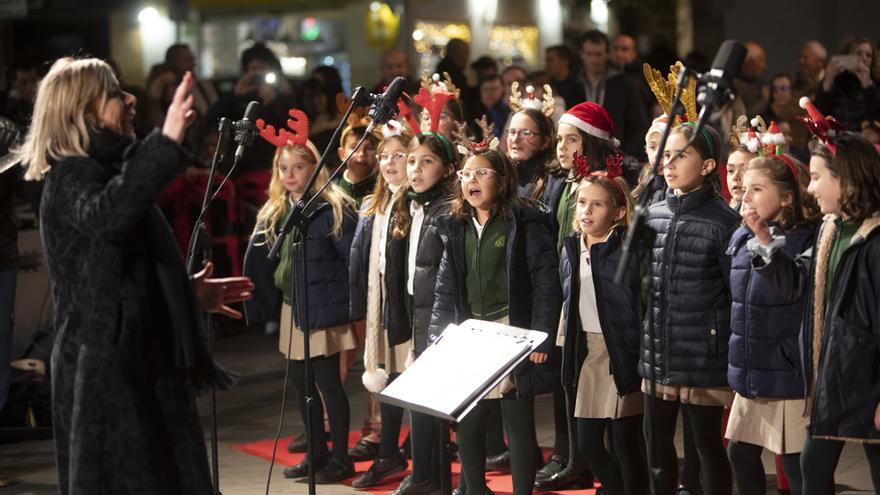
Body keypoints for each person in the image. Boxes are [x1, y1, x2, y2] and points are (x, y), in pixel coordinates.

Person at [18, 57, 254, 494]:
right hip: (108, 376)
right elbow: (108, 217)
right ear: (83, 109)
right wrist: (165, 140)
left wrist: (185, 294)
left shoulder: (104, 172)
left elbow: (118, 268)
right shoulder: (72, 174)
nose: (129, 100)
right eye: (114, 93)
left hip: (134, 364)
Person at [747, 100, 880, 493]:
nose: (810, 187)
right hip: (833, 377)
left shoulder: (873, 241)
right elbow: (799, 286)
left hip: (866, 382)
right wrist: (766, 243)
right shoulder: (830, 229)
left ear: (848, 179)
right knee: (812, 467)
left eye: (818, 176)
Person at [430, 146, 562, 495]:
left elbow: (546, 283)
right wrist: (437, 340)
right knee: (468, 422)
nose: (471, 180)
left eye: (481, 173)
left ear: (502, 180)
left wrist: (542, 336)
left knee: (517, 423)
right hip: (473, 334)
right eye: (465, 175)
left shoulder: (524, 222)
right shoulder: (456, 225)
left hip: (512, 331)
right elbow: (445, 289)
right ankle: (473, 489)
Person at [244, 108, 358, 483]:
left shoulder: (331, 208)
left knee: (327, 383)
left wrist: (351, 305)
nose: (290, 175)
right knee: (300, 383)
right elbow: (262, 261)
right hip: (294, 307)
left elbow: (349, 261)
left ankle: (340, 458)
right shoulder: (277, 212)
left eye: (298, 167)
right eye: (283, 168)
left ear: (315, 168)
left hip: (323, 309)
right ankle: (316, 451)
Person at [640, 123, 740, 495]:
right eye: (666, 154)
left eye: (681, 155)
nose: (669, 163)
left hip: (702, 356)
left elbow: (734, 294)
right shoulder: (652, 214)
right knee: (657, 449)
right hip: (659, 352)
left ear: (709, 164)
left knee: (708, 449)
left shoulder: (724, 221)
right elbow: (642, 287)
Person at [725, 153, 819, 495]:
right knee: (740, 453)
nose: (745, 197)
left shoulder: (807, 237)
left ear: (787, 197)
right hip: (753, 366)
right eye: (744, 189)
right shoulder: (740, 234)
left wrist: (765, 241)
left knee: (796, 465)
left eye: (757, 189)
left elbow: (794, 287)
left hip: (786, 370)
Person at [560, 153, 647, 495]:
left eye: (597, 205)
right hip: (589, 354)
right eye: (582, 202)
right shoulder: (571, 248)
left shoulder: (628, 250)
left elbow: (639, 306)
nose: (586, 211)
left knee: (627, 445)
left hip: (623, 353)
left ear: (619, 211)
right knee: (588, 444)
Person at [387, 132, 457, 495]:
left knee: (436, 399)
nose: (415, 169)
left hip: (442, 317)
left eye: (426, 161)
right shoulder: (409, 205)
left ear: (446, 169)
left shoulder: (449, 209)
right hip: (418, 312)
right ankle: (424, 472)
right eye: (411, 161)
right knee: (420, 397)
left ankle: (433, 474)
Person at [350, 129, 413, 489]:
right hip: (385, 307)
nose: (389, 163)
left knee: (407, 381)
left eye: (399, 156)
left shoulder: (415, 203)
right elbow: (362, 261)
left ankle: (402, 451)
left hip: (407, 308)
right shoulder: (375, 203)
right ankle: (390, 451)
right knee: (389, 380)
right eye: (385, 156)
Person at [573, 30, 649, 159]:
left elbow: (639, 125)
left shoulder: (626, 84)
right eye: (589, 54)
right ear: (581, 54)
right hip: (581, 154)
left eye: (598, 54)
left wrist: (623, 154)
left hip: (617, 155)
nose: (594, 60)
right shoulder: (572, 86)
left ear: (607, 54)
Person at [815, 35, 880, 132]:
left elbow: (876, 116)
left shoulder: (875, 84)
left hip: (862, 141)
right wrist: (828, 80)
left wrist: (868, 87)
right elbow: (818, 112)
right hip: (835, 138)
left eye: (868, 55)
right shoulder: (836, 82)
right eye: (859, 53)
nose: (864, 58)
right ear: (849, 56)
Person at [164, 43, 218, 118]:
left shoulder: (204, 85)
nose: (193, 64)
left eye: (193, 59)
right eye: (187, 60)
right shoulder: (166, 90)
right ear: (174, 63)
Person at [734, 42, 769, 117]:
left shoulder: (761, 83)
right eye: (760, 60)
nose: (763, 66)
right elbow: (743, 115)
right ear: (749, 62)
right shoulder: (735, 85)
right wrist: (764, 100)